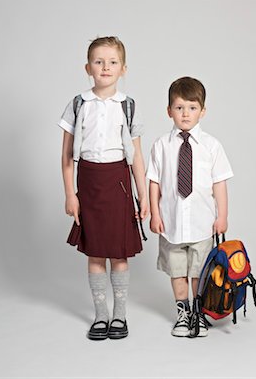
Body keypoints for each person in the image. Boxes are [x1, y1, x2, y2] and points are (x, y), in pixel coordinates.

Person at [59, 36, 148, 341]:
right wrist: (70, 194)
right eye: (99, 61)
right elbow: (67, 156)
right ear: (88, 67)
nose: (105, 67)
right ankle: (101, 316)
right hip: (89, 180)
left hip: (119, 183)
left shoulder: (128, 106)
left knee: (119, 253)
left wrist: (143, 196)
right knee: (95, 252)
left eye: (112, 62)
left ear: (123, 69)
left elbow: (136, 158)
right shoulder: (78, 104)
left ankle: (120, 315)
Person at [146, 77, 233, 337]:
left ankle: (198, 312)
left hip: (202, 223)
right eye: (180, 107)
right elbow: (154, 181)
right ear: (169, 110)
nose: (186, 113)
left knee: (199, 272)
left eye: (192, 107)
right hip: (171, 223)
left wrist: (223, 216)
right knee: (177, 271)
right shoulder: (161, 145)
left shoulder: (211, 146)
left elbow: (219, 184)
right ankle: (182, 313)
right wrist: (154, 213)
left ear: (202, 111)